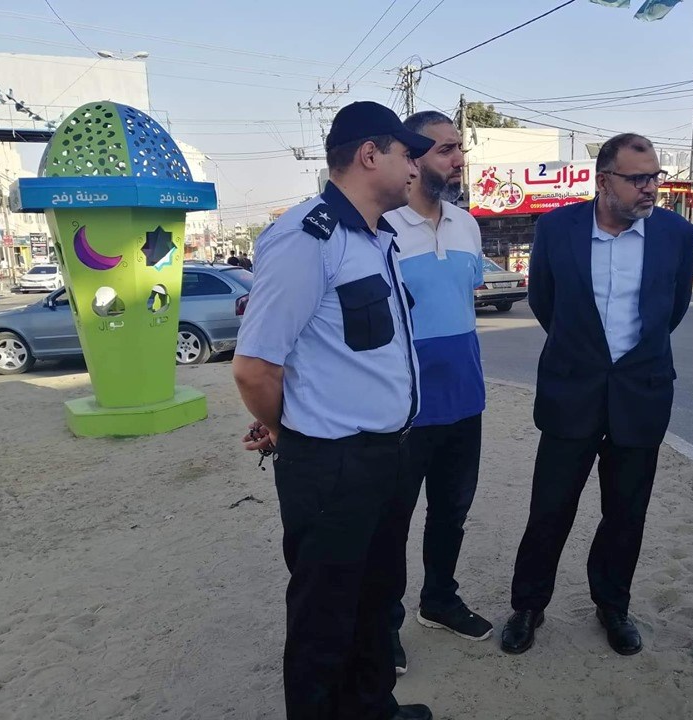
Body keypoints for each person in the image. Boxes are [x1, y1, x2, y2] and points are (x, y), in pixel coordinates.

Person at [232, 101, 436, 720]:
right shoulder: (307, 238)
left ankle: (373, 709)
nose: (416, 167)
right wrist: (286, 429)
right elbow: (254, 367)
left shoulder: (377, 239)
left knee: (375, 602)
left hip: (386, 455)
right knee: (325, 618)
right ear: (370, 155)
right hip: (332, 465)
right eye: (407, 154)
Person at [500, 133, 693, 656]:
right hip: (572, 391)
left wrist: (629, 359)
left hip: (641, 393)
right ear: (603, 180)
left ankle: (612, 605)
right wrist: (584, 352)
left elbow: (672, 309)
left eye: (655, 177)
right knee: (550, 507)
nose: (650, 188)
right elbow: (544, 302)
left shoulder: (677, 234)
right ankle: (528, 605)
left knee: (626, 513)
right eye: (638, 179)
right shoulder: (557, 228)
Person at [383, 111, 491, 676]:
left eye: (460, 148)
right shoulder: (382, 226)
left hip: (465, 400)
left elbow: (462, 303)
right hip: (404, 406)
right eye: (446, 149)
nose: (458, 159)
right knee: (392, 520)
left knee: (451, 512)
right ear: (413, 155)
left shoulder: (467, 225)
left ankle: (439, 600)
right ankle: (384, 625)